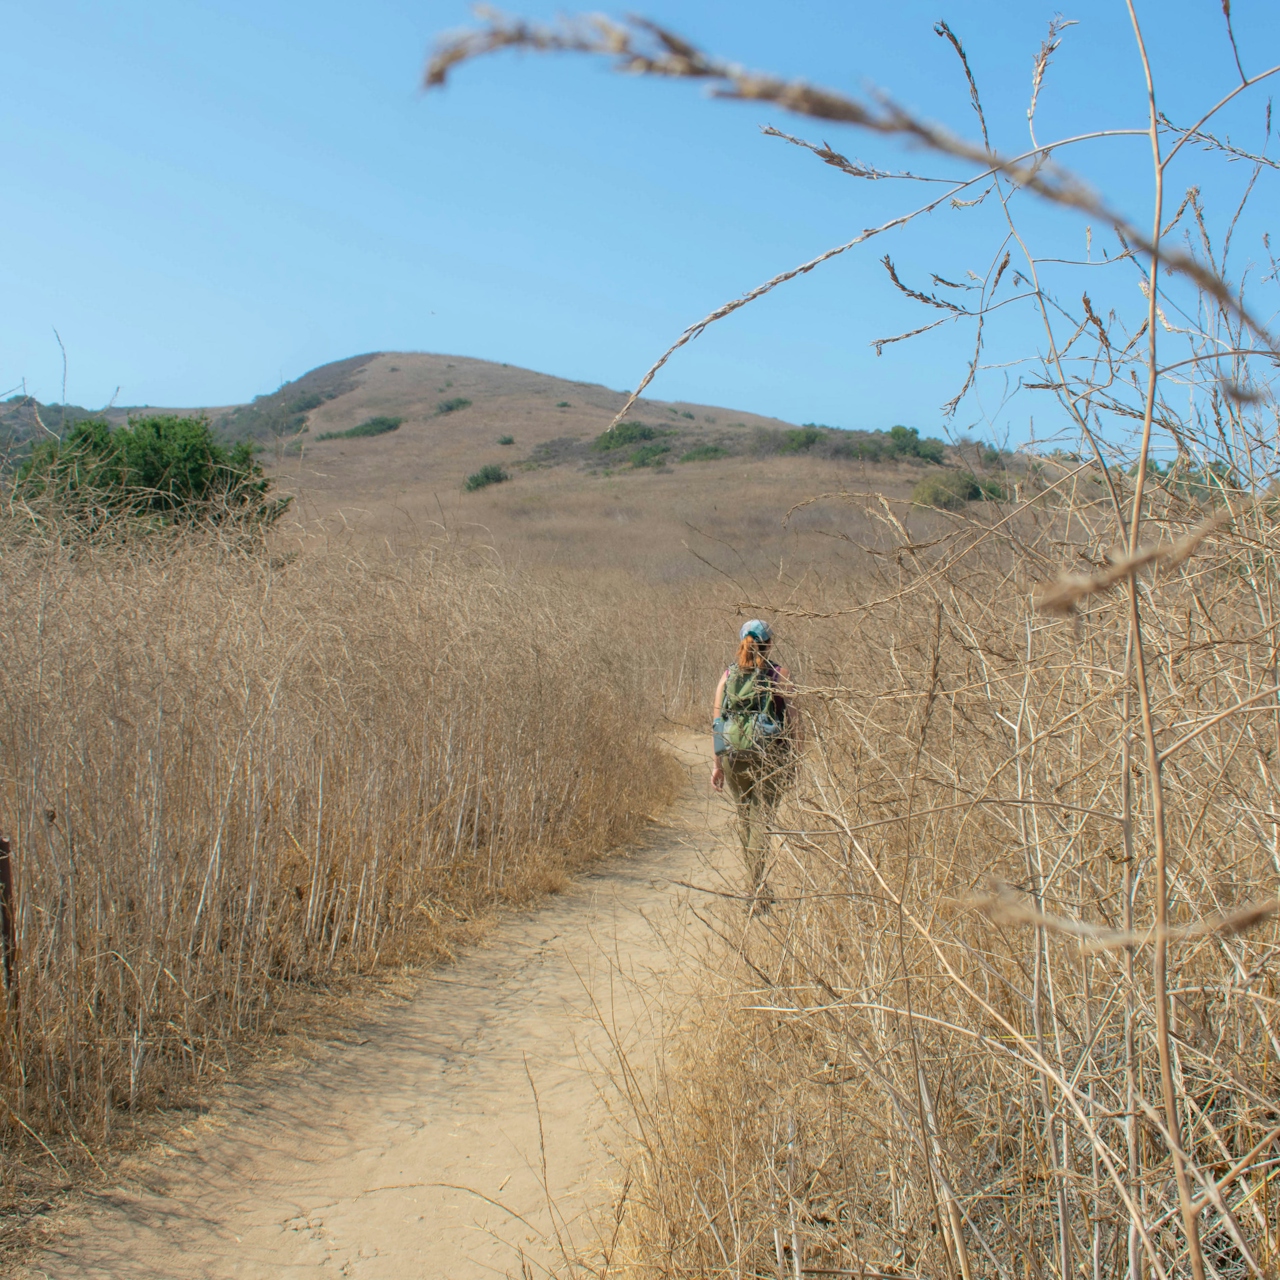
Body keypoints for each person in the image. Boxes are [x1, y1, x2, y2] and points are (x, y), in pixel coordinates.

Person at [711, 619, 800, 909]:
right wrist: (795, 759)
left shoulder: (727, 676)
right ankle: (757, 888)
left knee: (745, 816)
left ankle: (754, 884)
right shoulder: (779, 674)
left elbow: (717, 722)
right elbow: (795, 722)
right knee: (763, 818)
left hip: (734, 755)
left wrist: (717, 765)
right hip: (769, 756)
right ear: (769, 643)